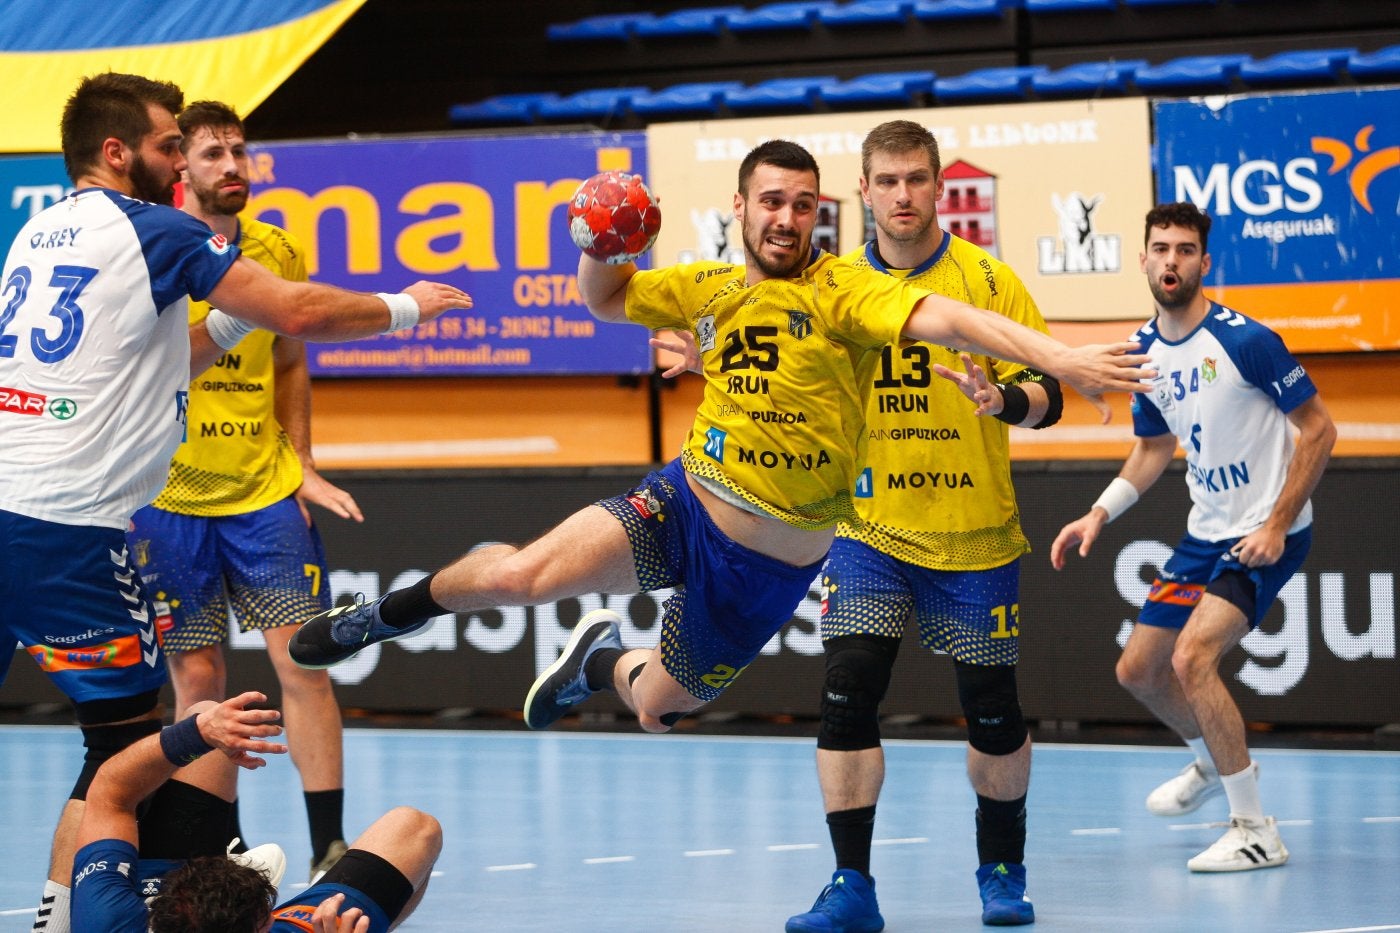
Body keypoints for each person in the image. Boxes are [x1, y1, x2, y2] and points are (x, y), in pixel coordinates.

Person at [288, 139, 1149, 749]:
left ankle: (601, 663)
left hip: (774, 563)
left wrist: (1062, 356)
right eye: (771, 201)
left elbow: (955, 317)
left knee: (659, 706)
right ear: (739, 206)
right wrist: (602, 239)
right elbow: (606, 298)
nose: (787, 218)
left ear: (820, 212)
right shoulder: (703, 285)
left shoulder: (844, 291)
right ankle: (379, 617)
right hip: (687, 498)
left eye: (803, 205)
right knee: (518, 575)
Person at [0, 71, 470, 933]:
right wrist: (407, 306)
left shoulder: (37, 234)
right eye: (170, 144)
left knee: (170, 719)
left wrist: (231, 325)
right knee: (122, 749)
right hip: (64, 527)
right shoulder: (154, 228)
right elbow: (297, 310)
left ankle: (128, 887)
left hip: (11, 500)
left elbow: (149, 368)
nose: (180, 160)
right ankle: (64, 915)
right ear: (117, 152)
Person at [784, 120, 1054, 932]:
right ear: (862, 192)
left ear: (939, 187)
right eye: (888, 181)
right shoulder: (828, 286)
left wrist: (1004, 400)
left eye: (917, 180)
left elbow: (1050, 395)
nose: (903, 195)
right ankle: (851, 886)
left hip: (973, 533)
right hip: (869, 530)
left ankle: (1002, 869)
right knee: (846, 696)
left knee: (992, 708)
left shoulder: (986, 279)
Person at [1050, 202, 1335, 872]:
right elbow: (1153, 449)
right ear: (1144, 260)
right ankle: (1213, 759)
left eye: (1184, 249)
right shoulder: (1142, 352)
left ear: (1205, 263)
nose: (1171, 260)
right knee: (1139, 670)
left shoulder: (1247, 341)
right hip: (1205, 533)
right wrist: (1098, 512)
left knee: (1191, 659)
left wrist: (1274, 522)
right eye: (1160, 248)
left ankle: (1255, 828)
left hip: (1266, 531)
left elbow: (1319, 428)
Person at [127, 100, 356, 881]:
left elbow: (292, 361)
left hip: (263, 495)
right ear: (179, 168)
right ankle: (214, 841)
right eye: (214, 154)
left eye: (240, 151)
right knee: (199, 678)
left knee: (306, 662)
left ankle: (330, 843)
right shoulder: (154, 248)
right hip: (168, 497)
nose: (233, 166)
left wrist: (304, 463)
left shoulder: (277, 250)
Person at [71, 691, 443, 933]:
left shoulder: (111, 919)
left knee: (207, 715)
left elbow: (109, 793)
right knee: (416, 829)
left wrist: (200, 732)